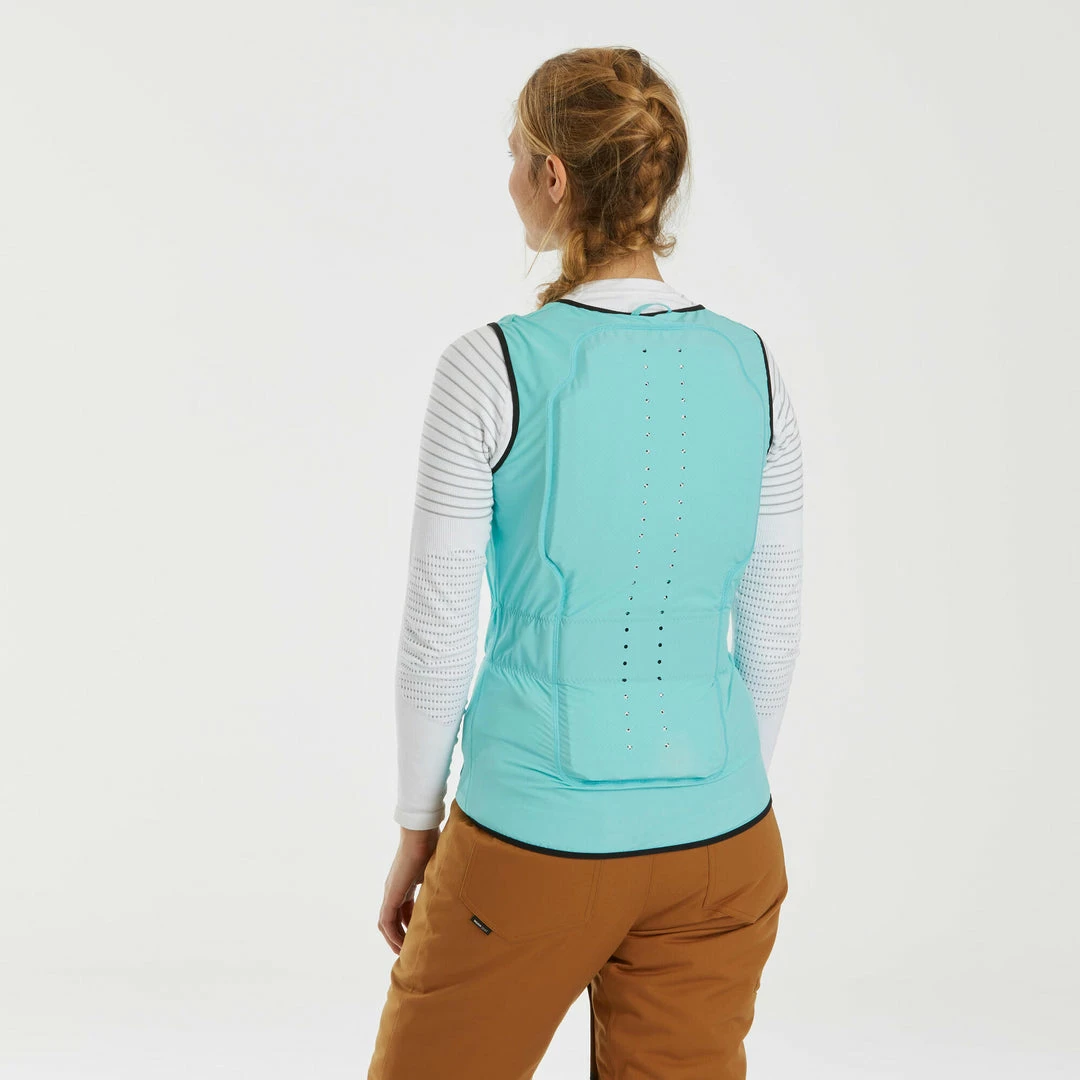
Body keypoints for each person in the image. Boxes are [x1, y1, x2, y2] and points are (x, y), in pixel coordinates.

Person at [367, 45, 803, 1080]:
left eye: (516, 155)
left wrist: (419, 827)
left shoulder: (489, 366)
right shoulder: (754, 364)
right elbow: (773, 620)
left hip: (534, 840)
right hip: (724, 847)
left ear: (553, 176)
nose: (510, 178)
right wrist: (704, 806)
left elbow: (439, 627)